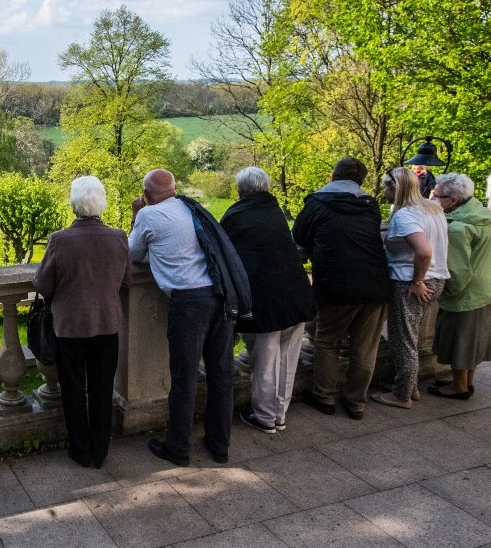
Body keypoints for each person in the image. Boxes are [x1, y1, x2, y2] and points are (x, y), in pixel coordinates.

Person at [129, 169, 251, 465]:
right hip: (220, 295)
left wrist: (136, 215)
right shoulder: (190, 206)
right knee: (221, 374)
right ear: (174, 188)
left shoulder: (148, 215)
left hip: (189, 303)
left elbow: (133, 253)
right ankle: (219, 445)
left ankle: (178, 448)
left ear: (147, 196)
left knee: (184, 378)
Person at [32, 176, 131, 469]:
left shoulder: (59, 240)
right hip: (107, 325)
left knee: (73, 390)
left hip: (70, 328)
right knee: (102, 390)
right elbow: (126, 280)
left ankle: (80, 451)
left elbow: (42, 283)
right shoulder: (119, 237)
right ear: (101, 201)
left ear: (74, 203)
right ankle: (100, 451)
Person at [292, 157, 390, 420]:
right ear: (360, 181)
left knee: (326, 341)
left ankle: (324, 396)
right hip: (376, 284)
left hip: (337, 284)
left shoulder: (317, 203)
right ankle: (356, 401)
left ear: (333, 175)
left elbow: (299, 236)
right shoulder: (370, 205)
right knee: (364, 348)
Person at [220, 167, 316, 433]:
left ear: (240, 191)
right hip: (296, 294)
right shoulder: (276, 212)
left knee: (264, 362)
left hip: (265, 300)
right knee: (288, 359)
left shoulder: (236, 215)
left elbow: (222, 252)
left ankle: (264, 417)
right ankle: (279, 415)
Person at [371, 168, 449, 409]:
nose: (384, 190)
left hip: (411, 282)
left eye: (386, 186)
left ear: (397, 187)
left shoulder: (405, 215)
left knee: (402, 339)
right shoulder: (433, 208)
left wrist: (417, 280)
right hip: (436, 279)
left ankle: (402, 395)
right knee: (411, 336)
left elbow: (424, 251)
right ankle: (409, 386)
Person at [428, 173, 491, 399]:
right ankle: (467, 381)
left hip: (466, 293)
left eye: (437, 196)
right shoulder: (484, 215)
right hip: (485, 287)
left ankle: (459, 387)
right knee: (474, 341)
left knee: (460, 341)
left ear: (453, 200)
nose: (433, 199)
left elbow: (458, 271)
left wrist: (444, 291)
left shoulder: (456, 228)